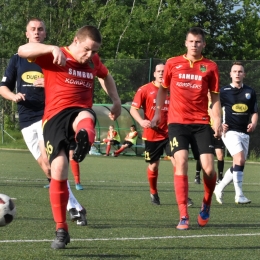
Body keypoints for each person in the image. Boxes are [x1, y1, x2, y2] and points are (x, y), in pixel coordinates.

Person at [18, 23, 121, 249]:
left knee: (85, 115)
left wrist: (115, 100)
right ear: (75, 41)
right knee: (58, 170)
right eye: (86, 49)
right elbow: (22, 50)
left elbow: (106, 76)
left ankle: (85, 136)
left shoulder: (93, 61)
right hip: (54, 118)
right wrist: (50, 48)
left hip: (79, 112)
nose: (90, 55)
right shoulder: (56, 55)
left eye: (94, 51)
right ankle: (61, 229)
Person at [0, 18, 86, 225]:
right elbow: (3, 88)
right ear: (26, 34)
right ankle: (76, 206)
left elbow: (69, 85)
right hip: (26, 118)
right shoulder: (16, 59)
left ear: (45, 34)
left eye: (40, 29)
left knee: (51, 162)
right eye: (33, 29)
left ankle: (73, 209)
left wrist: (47, 82)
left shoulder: (54, 58)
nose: (37, 32)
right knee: (46, 168)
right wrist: (13, 97)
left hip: (49, 114)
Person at [151, 27, 222, 230]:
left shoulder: (210, 66)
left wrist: (217, 118)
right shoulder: (172, 63)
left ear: (203, 44)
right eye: (191, 41)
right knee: (180, 162)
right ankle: (183, 215)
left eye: (198, 42)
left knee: (209, 168)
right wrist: (157, 113)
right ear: (185, 43)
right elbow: (162, 90)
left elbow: (215, 96)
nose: (194, 45)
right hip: (177, 123)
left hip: (201, 123)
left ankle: (206, 201)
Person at [130, 63, 193, 207]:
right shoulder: (144, 89)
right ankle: (153, 192)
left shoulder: (174, 88)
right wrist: (141, 121)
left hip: (172, 132)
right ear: (154, 74)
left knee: (178, 162)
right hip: (152, 134)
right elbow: (134, 109)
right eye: (158, 71)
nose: (160, 73)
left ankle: (183, 196)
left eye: (163, 71)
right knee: (153, 166)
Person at [214, 61, 258, 205]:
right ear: (230, 74)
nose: (237, 74)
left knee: (239, 163)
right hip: (230, 131)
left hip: (244, 132)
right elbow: (214, 109)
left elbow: (254, 112)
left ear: (244, 74)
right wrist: (219, 124)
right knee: (239, 159)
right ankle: (239, 195)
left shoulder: (250, 91)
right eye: (235, 71)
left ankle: (219, 187)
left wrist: (254, 123)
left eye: (240, 71)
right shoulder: (224, 91)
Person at [194, 93, 225, 184]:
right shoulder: (204, 103)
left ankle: (220, 178)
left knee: (220, 155)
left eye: (211, 92)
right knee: (203, 155)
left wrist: (222, 125)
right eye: (208, 93)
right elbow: (212, 115)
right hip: (207, 130)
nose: (210, 95)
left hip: (218, 130)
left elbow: (222, 117)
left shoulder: (219, 103)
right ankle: (197, 175)